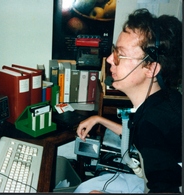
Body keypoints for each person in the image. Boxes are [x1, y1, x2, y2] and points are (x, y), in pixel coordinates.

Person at [74, 8, 182, 193]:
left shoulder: (153, 123)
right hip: (147, 182)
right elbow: (136, 132)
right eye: (113, 51)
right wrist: (99, 120)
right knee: (85, 188)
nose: (109, 59)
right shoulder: (163, 99)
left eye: (120, 55)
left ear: (151, 69)